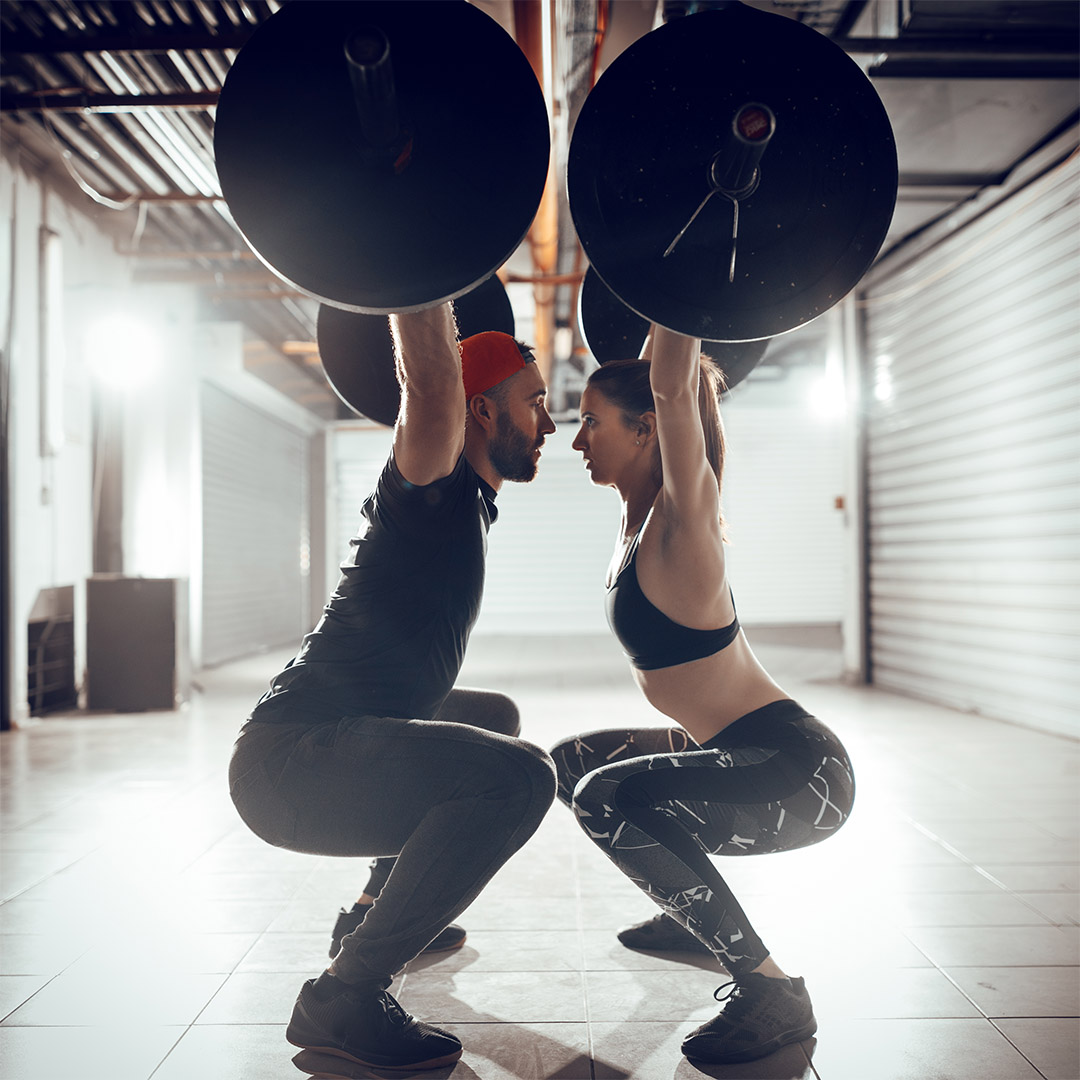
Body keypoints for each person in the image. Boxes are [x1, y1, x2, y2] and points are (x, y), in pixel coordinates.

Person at [228, 303, 558, 1074]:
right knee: (521, 779)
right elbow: (434, 384)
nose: (549, 421)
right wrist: (421, 274)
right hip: (292, 765)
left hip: (314, 747)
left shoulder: (466, 503)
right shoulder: (431, 485)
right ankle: (346, 994)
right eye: (535, 401)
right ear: (482, 411)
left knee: (493, 718)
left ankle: (375, 908)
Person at [552, 326, 855, 1066]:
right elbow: (658, 382)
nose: (576, 439)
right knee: (572, 761)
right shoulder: (637, 518)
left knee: (605, 796)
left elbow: (670, 383)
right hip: (742, 753)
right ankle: (691, 908)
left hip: (796, 773)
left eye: (590, 421)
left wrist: (674, 296)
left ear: (647, 429)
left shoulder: (682, 517)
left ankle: (770, 991)